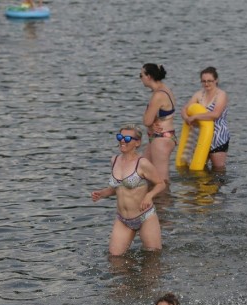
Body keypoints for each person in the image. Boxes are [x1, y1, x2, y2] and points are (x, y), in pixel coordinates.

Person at [91, 124, 166, 256]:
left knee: (153, 258)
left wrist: (149, 196)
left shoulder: (142, 163)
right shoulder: (114, 160)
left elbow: (161, 184)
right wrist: (102, 193)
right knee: (115, 258)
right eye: (120, 137)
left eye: (126, 138)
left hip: (145, 217)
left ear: (137, 142)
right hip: (122, 219)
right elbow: (118, 188)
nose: (122, 140)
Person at [181, 66, 230, 172]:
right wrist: (186, 118)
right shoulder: (199, 94)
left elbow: (215, 114)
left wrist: (195, 117)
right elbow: (185, 109)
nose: (206, 84)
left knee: (218, 169)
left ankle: (219, 188)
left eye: (209, 81)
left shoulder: (221, 95)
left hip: (218, 137)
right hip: (201, 135)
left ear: (216, 80)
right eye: (203, 81)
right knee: (199, 167)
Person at [140, 64, 177, 184]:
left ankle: (163, 201)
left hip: (161, 138)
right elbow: (153, 120)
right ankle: (150, 199)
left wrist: (149, 123)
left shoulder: (158, 95)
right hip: (160, 137)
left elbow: (147, 120)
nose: (140, 78)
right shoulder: (165, 89)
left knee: (161, 181)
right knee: (143, 170)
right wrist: (151, 124)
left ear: (149, 77)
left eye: (141, 75)